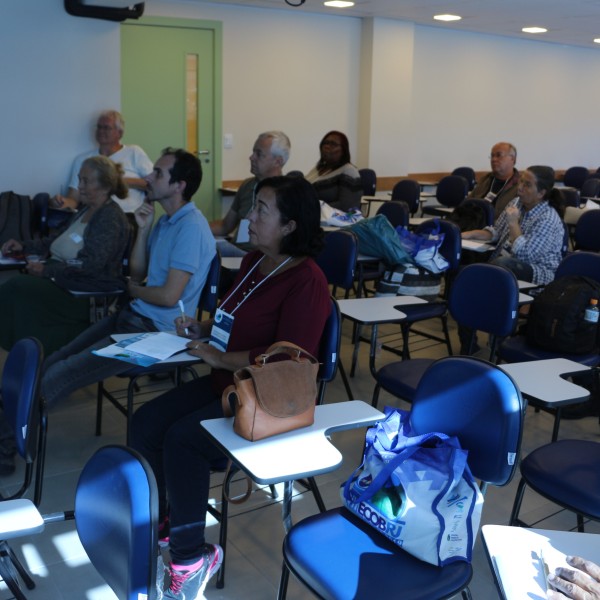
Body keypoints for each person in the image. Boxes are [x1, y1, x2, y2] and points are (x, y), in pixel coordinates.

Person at [130, 175, 330, 599]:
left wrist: (219, 358)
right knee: (147, 422)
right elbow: (233, 320)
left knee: (184, 441)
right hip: (228, 382)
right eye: (253, 207)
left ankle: (189, 560)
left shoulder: (307, 281)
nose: (250, 218)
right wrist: (203, 328)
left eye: (262, 211)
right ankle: (171, 518)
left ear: (291, 226)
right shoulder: (255, 261)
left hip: (268, 398)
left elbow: (286, 360)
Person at [40, 147, 216, 407]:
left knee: (61, 373)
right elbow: (139, 273)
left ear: (179, 185)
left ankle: (10, 437)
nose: (148, 178)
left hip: (158, 333)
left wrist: (132, 290)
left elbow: (168, 297)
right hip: (136, 316)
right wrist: (143, 232)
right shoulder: (166, 221)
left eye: (157, 173)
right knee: (58, 357)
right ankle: (15, 410)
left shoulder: (190, 227)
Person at [0, 156, 130, 355]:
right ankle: (27, 357)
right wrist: (23, 246)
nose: (80, 186)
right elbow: (53, 241)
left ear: (104, 187)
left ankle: (31, 357)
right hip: (60, 280)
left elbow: (90, 266)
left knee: (16, 288)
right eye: (79, 179)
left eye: (86, 181)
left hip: (83, 292)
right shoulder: (85, 210)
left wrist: (46, 270)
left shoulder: (109, 218)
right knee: (17, 291)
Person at [462, 165, 565, 286]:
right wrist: (469, 234)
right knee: (464, 254)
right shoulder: (516, 202)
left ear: (541, 193)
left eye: (527, 185)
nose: (520, 188)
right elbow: (497, 232)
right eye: (521, 181)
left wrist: (513, 223)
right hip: (506, 261)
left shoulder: (547, 219)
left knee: (502, 264)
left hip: (536, 273)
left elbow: (524, 257)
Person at [51, 110, 153, 213]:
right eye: (99, 127)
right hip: (94, 217)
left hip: (130, 217)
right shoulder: (83, 160)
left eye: (106, 128)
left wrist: (120, 181)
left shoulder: (134, 152)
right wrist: (61, 202)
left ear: (120, 133)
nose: (101, 131)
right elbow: (74, 199)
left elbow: (153, 184)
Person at [210, 130, 291, 241]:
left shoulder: (287, 192)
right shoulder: (247, 185)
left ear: (277, 161)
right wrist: (197, 228)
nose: (251, 157)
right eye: (253, 152)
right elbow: (225, 226)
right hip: (236, 251)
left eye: (259, 154)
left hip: (262, 255)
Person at [305, 130, 362, 212]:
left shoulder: (349, 171)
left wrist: (313, 208)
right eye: (325, 143)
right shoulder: (319, 168)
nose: (327, 146)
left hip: (332, 221)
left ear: (343, 150)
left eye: (333, 144)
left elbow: (346, 205)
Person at [470, 142, 520, 219]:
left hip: (498, 228)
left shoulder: (520, 185)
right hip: (473, 222)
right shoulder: (485, 179)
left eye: (499, 155)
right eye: (492, 156)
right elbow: (467, 202)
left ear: (513, 159)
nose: (493, 159)